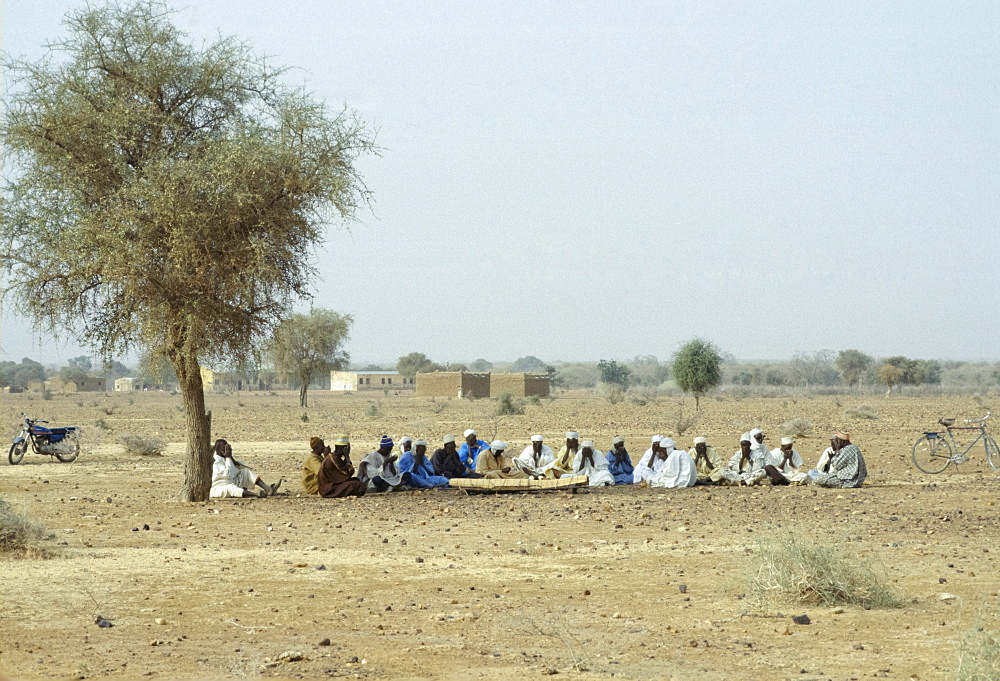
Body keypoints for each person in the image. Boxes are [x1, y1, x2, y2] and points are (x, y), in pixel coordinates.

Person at [210, 438, 282, 499]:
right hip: (219, 486)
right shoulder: (216, 461)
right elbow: (227, 475)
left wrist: (230, 457)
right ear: (217, 450)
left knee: (245, 471)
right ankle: (256, 494)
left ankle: (268, 489)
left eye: (226, 449)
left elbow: (238, 467)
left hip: (231, 481)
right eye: (223, 449)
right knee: (231, 488)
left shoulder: (226, 458)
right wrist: (228, 457)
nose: (225, 451)